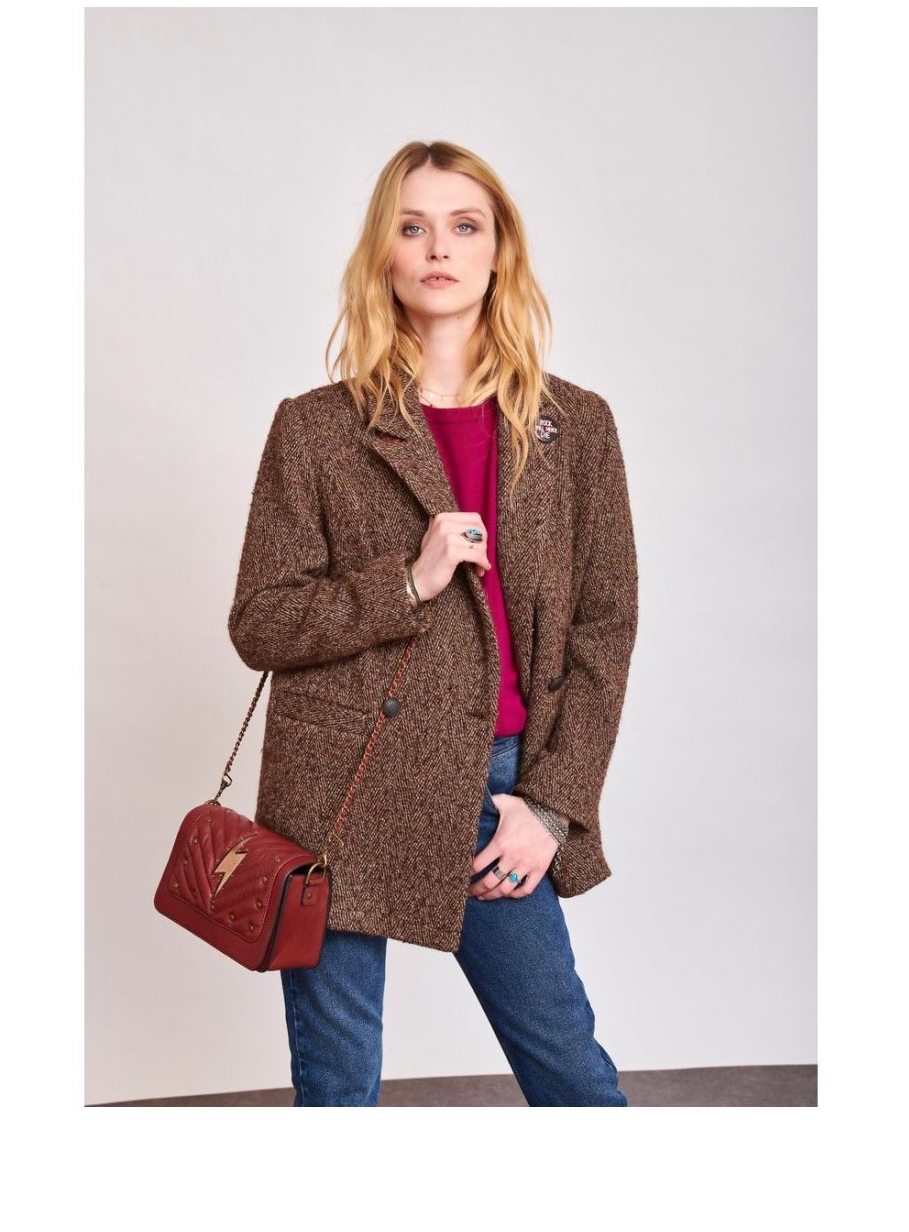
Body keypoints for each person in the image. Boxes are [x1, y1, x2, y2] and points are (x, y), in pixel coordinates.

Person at [228, 140, 639, 1106]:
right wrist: (407, 583)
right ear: (384, 255)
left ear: (500, 251)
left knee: (570, 1070)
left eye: (464, 225)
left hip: (499, 788)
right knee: (338, 1089)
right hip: (341, 785)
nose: (439, 248)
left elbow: (604, 631)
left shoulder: (577, 427)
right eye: (412, 228)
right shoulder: (315, 428)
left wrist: (551, 806)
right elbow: (261, 623)